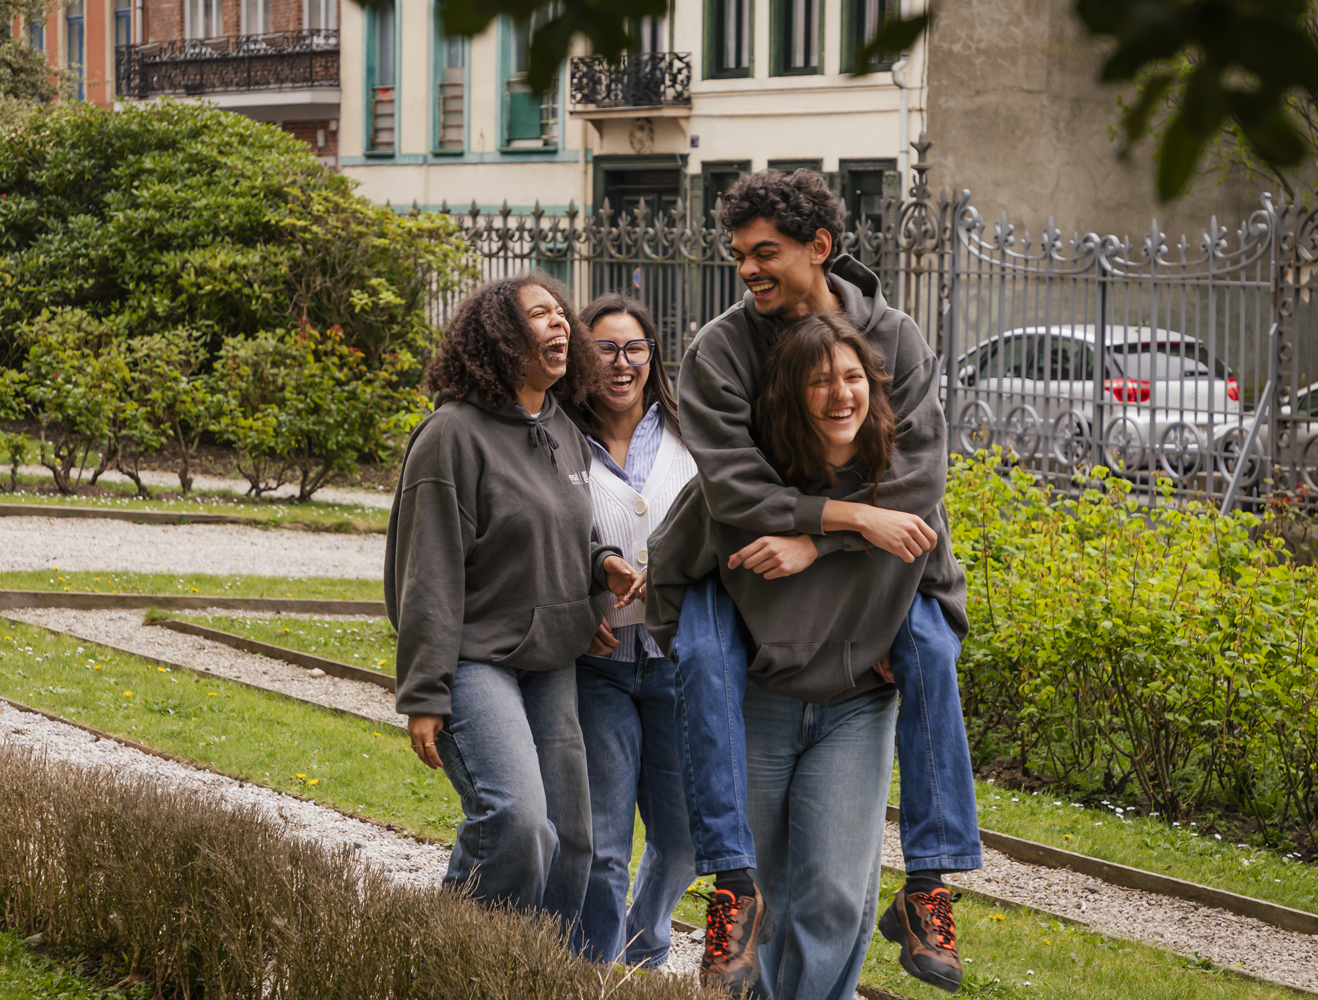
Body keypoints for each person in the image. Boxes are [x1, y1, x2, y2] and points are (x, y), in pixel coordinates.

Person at [647, 169, 979, 998]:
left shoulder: (896, 338)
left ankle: (930, 881)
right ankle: (730, 887)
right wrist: (848, 519)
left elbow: (918, 481)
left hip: (862, 650)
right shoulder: (722, 350)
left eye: (765, 253)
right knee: (763, 885)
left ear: (819, 248)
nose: (747, 270)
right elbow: (734, 490)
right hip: (756, 644)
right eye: (739, 254)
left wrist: (817, 542)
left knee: (834, 892)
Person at [385, 272, 644, 927]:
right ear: (500, 336)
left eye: (561, 314)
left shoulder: (559, 427)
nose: (560, 323)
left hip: (549, 662)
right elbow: (428, 573)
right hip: (475, 659)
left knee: (572, 843)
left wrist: (602, 567)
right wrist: (424, 693)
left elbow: (565, 530)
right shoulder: (452, 434)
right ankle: (449, 957)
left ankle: (531, 970)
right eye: (539, 315)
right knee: (517, 821)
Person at [562, 294, 699, 969]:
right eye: (604, 349)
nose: (621, 364)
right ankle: (594, 969)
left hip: (678, 663)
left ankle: (644, 948)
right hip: (601, 667)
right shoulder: (559, 439)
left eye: (634, 348)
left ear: (652, 356)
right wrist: (577, 605)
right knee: (604, 844)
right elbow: (541, 539)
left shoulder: (690, 432)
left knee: (685, 838)